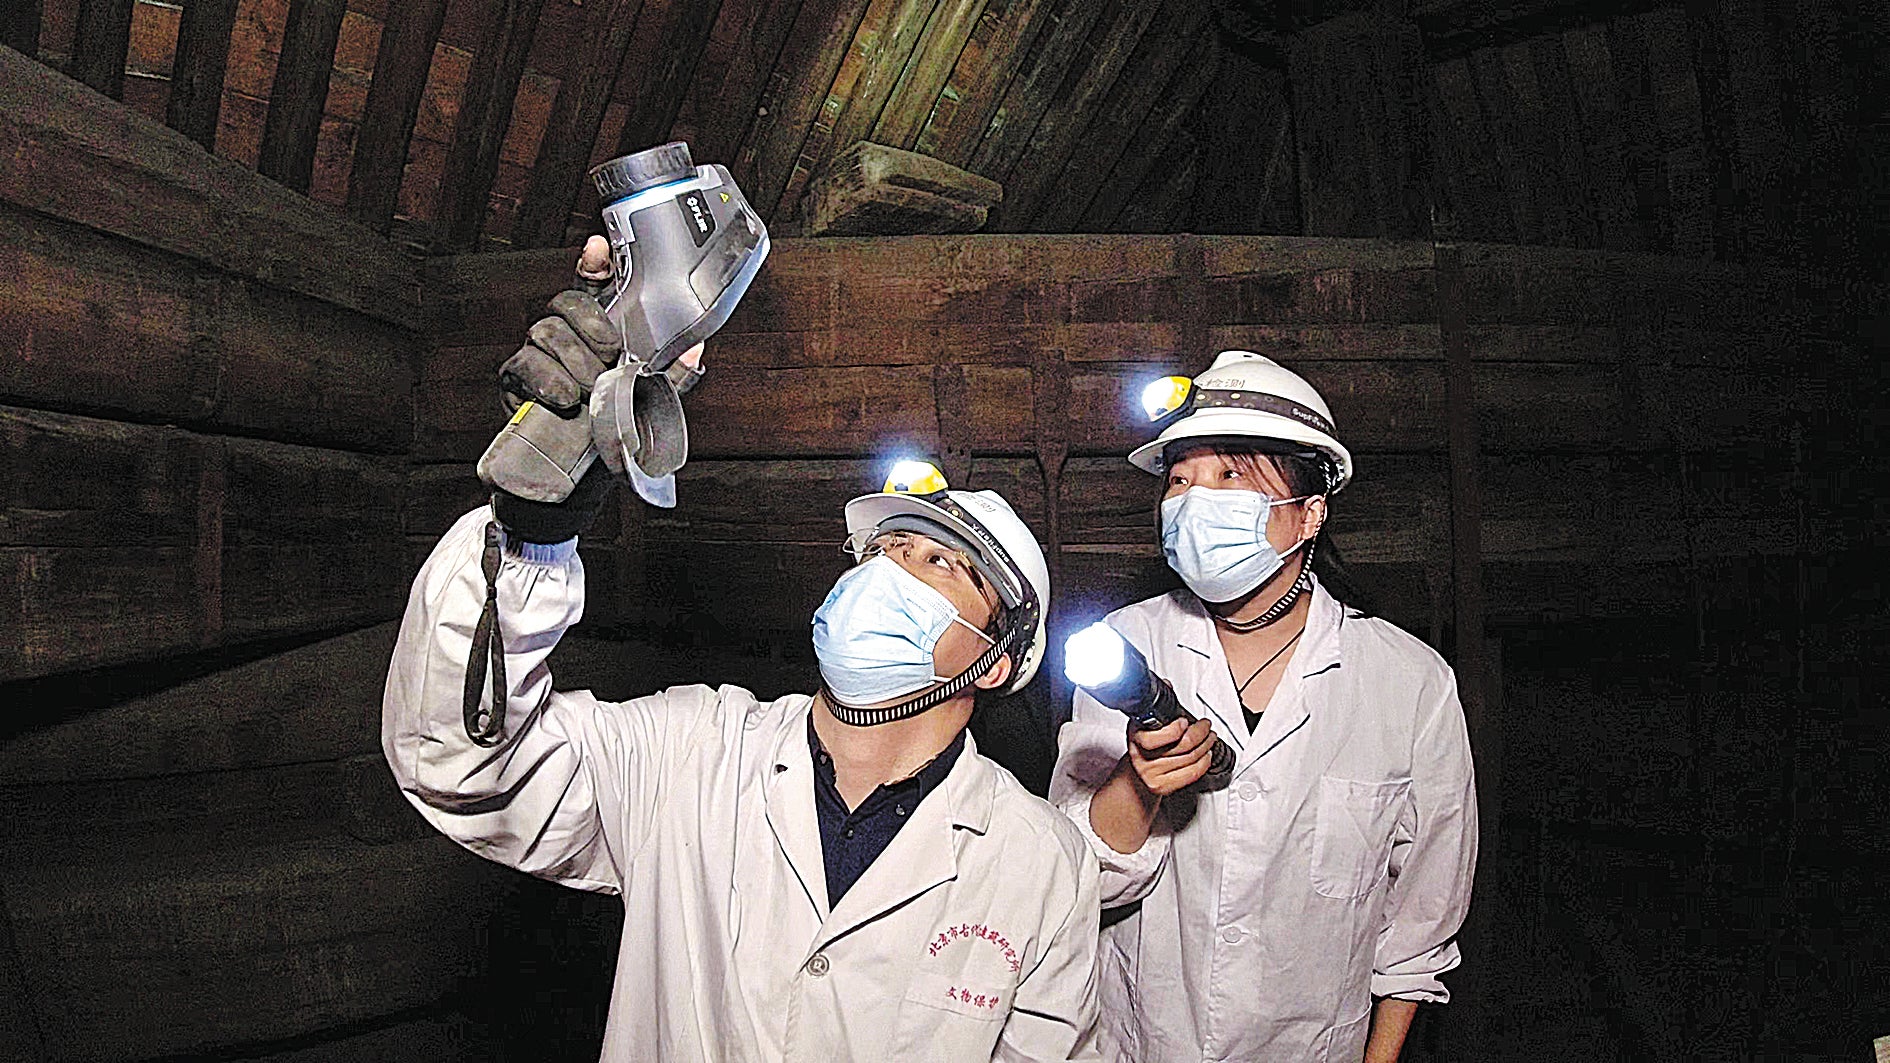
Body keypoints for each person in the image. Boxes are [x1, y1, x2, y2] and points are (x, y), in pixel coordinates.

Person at [383, 238, 1100, 1061]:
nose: (893, 572)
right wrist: (533, 530)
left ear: (994, 658)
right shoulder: (691, 750)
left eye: (939, 563)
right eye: (886, 552)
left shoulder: (1043, 864)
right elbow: (457, 761)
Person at [1050, 350, 1478, 1063]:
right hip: (1139, 1045)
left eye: (1229, 476)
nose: (1193, 500)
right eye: (1179, 479)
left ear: (1309, 513)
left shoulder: (1410, 684)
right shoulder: (1127, 644)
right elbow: (1072, 880)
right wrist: (1139, 784)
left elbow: (1421, 921)